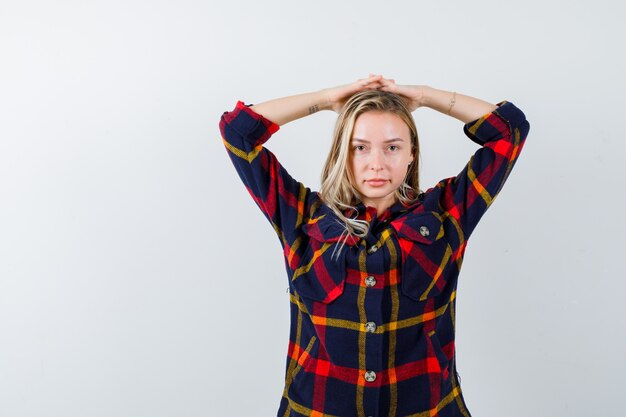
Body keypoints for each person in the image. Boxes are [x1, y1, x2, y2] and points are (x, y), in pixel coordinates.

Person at [219, 74, 530, 417]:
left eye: (393, 147)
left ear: (412, 153)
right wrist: (325, 99)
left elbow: (508, 131)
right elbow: (239, 131)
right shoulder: (302, 218)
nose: (377, 163)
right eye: (360, 147)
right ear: (342, 152)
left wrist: (423, 97)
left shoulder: (446, 213)